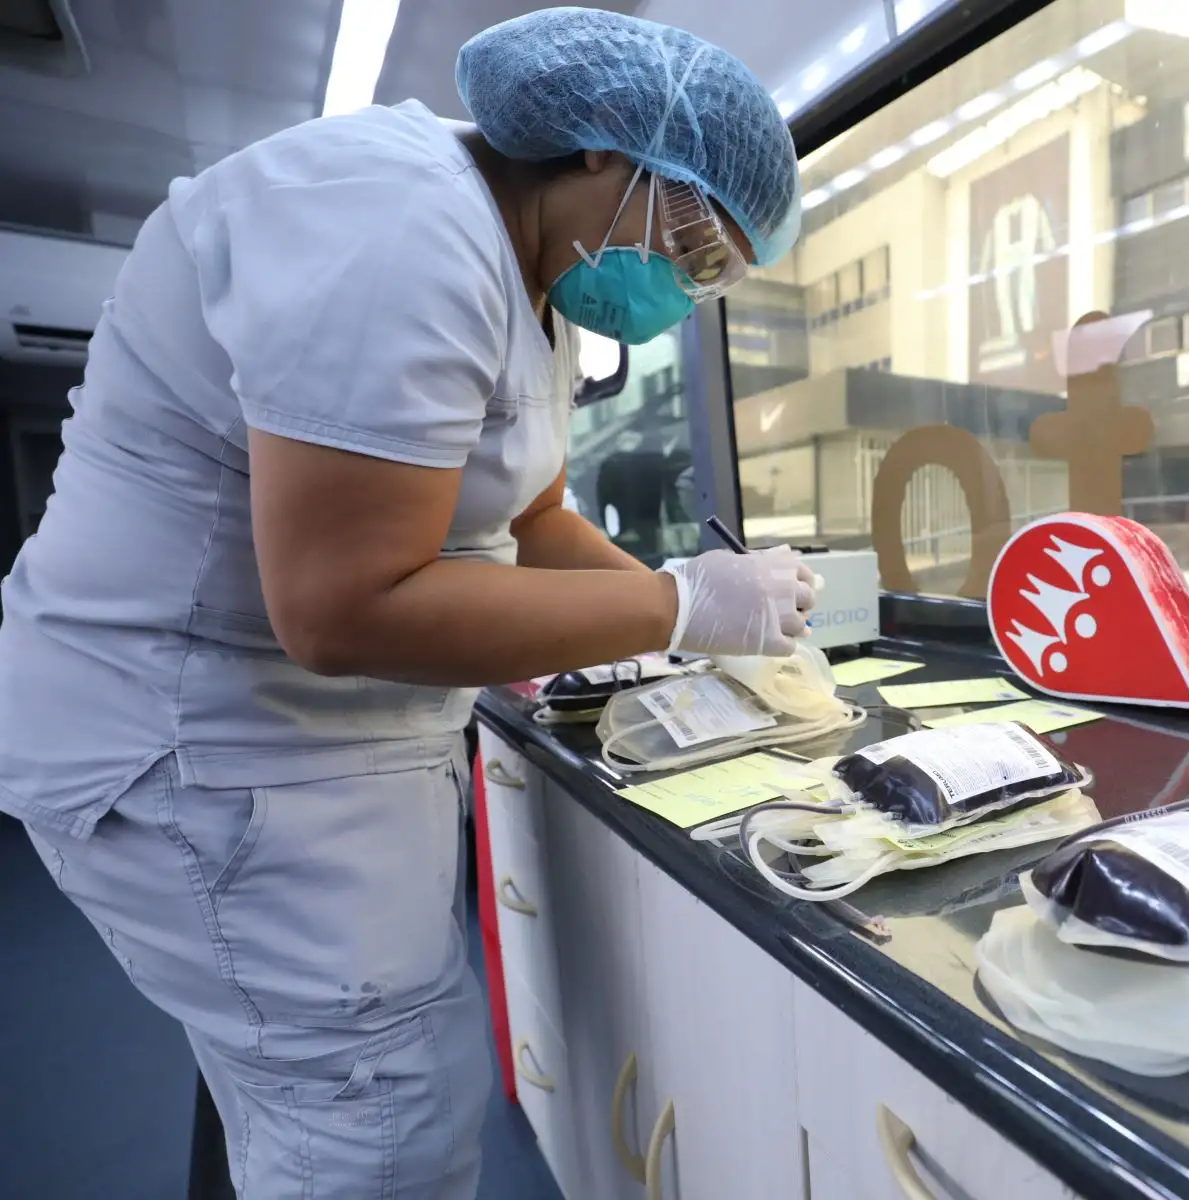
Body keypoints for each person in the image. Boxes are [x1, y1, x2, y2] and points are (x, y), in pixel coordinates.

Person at [0, 9, 804, 1196]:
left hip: (304, 737)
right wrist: (679, 607)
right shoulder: (395, 226)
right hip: (197, 740)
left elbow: (531, 516)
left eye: (711, 276)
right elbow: (343, 609)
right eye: (690, 248)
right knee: (376, 1117)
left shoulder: (535, 277)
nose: (686, 290)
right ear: (598, 145)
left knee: (307, 1094)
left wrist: (680, 625)